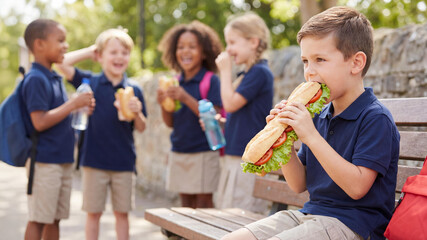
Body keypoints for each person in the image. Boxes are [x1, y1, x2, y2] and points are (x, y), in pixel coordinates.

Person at [221, 6, 400, 240]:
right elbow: (298, 184)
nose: (309, 72)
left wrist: (311, 136)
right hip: (310, 214)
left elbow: (357, 188)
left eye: (320, 60)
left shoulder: (375, 118)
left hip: (355, 225)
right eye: (305, 61)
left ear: (356, 63)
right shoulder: (319, 115)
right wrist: (283, 140)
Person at [56, 28, 147, 240]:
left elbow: (142, 127)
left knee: (122, 214)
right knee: (93, 213)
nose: (119, 57)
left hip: (124, 163)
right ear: (100, 56)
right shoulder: (89, 83)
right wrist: (90, 50)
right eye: (112, 52)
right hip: (93, 161)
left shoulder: (134, 89)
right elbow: (61, 64)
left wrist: (137, 113)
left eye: (124, 52)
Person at [22, 19, 94, 240]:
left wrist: (77, 108)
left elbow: (57, 114)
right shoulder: (35, 79)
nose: (66, 45)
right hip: (45, 161)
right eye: (60, 40)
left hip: (62, 159)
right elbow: (40, 121)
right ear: (39, 45)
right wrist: (72, 104)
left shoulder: (54, 77)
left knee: (54, 218)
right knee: (39, 218)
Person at [156, 20, 223, 208]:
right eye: (180, 47)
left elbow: (214, 119)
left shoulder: (210, 81)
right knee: (184, 204)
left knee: (203, 203)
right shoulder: (174, 82)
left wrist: (185, 98)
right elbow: (170, 123)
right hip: (179, 150)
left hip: (203, 152)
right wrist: (163, 104)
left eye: (192, 47)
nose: (185, 51)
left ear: (204, 53)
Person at [214, 12, 273, 213]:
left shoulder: (259, 73)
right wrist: (222, 122)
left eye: (232, 42)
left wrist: (224, 71)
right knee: (227, 209)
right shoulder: (248, 74)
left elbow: (229, 103)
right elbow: (237, 112)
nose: (228, 49)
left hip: (247, 157)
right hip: (235, 155)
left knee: (240, 212)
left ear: (253, 42)